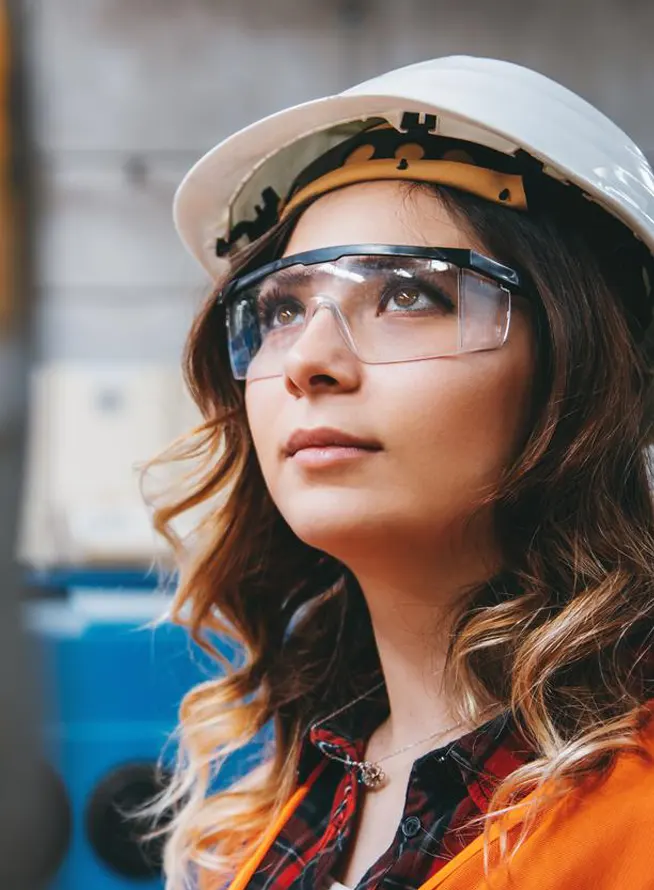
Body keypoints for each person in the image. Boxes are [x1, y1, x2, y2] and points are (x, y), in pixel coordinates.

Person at [148, 56, 654, 890]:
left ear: (586, 366)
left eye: (409, 295)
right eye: (281, 309)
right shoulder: (265, 820)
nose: (308, 360)